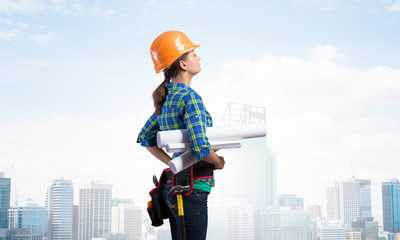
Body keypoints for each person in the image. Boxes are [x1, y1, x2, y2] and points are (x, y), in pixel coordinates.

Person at [137, 30, 225, 240]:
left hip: (174, 189)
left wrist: (173, 163)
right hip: (192, 190)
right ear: (183, 64)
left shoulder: (167, 99)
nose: (199, 57)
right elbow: (201, 147)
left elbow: (145, 137)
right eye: (194, 54)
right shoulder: (189, 98)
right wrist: (218, 161)